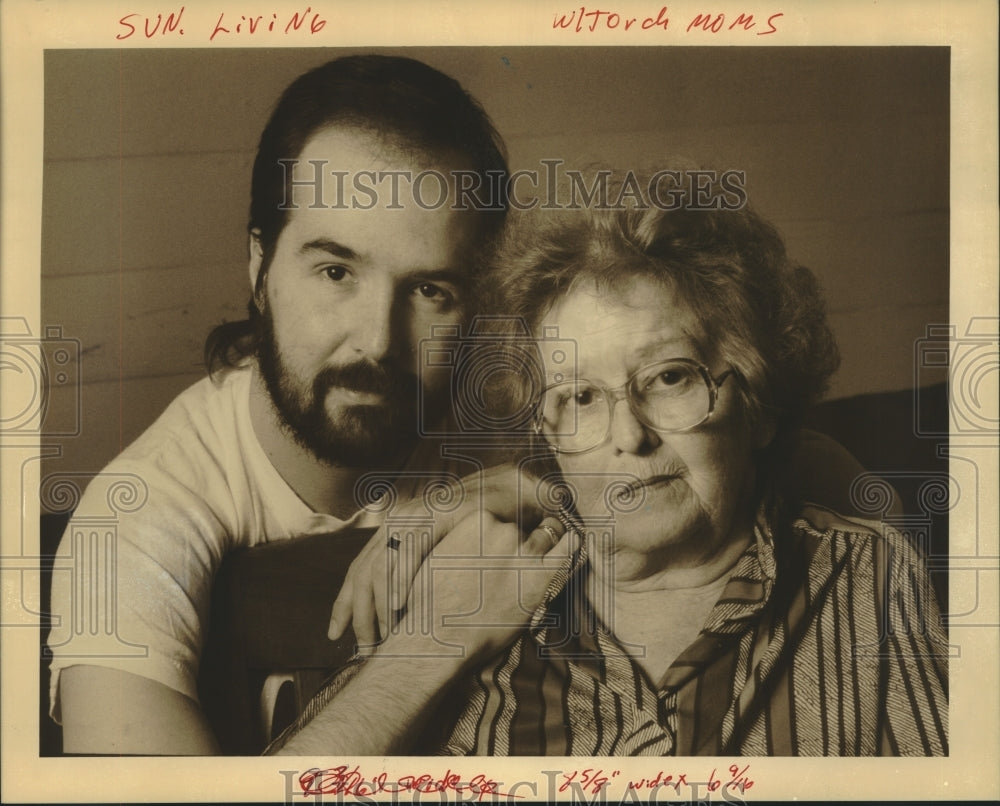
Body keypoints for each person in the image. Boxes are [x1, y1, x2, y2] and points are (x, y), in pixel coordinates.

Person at [271, 167, 947, 756]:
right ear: (548, 432)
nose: (628, 436)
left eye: (670, 377)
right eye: (580, 396)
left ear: (759, 402)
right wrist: (428, 646)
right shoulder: (465, 582)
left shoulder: (865, 578)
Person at [46, 54, 512, 754]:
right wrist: (432, 641)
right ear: (259, 267)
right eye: (335, 271)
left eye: (429, 292)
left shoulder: (498, 426)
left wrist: (517, 492)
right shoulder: (136, 513)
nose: (377, 341)